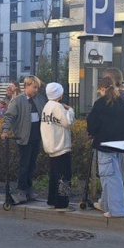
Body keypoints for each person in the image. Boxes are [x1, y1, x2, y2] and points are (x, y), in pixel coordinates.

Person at [86, 76, 124, 218]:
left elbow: (92, 124)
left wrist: (92, 134)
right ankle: (105, 204)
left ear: (102, 89)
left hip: (105, 145)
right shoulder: (123, 103)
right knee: (115, 175)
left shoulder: (100, 104)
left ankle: (117, 210)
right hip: (121, 145)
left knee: (110, 178)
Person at [0, 75, 47, 203]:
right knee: (24, 164)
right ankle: (22, 189)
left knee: (32, 164)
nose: (36, 90)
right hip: (24, 137)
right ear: (27, 86)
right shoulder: (17, 101)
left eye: (37, 88)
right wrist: (5, 130)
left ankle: (29, 188)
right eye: (34, 87)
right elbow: (9, 116)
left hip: (36, 136)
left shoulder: (39, 99)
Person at [41, 82, 75, 211]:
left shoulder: (47, 106)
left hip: (51, 146)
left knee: (54, 175)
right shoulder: (58, 107)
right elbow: (68, 122)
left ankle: (52, 200)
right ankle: (62, 203)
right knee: (64, 176)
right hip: (61, 146)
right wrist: (70, 110)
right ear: (59, 94)